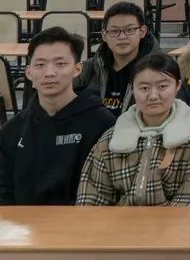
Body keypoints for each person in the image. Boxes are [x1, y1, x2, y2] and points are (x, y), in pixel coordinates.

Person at [76, 53, 190, 206]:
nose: (153, 96)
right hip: (120, 220)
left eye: (163, 86)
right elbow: (91, 200)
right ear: (132, 89)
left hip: (175, 220)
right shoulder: (111, 139)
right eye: (144, 88)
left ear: (177, 86)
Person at [0, 27, 115, 205]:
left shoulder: (102, 122)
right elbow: (4, 191)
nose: (49, 73)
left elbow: (107, 190)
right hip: (22, 221)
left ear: (77, 69)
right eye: (40, 65)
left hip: (82, 219)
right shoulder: (12, 129)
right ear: (29, 72)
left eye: (60, 64)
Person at [75, 1, 161, 116]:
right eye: (114, 31)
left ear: (142, 32)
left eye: (129, 30)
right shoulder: (87, 69)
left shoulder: (161, 70)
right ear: (104, 35)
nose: (122, 37)